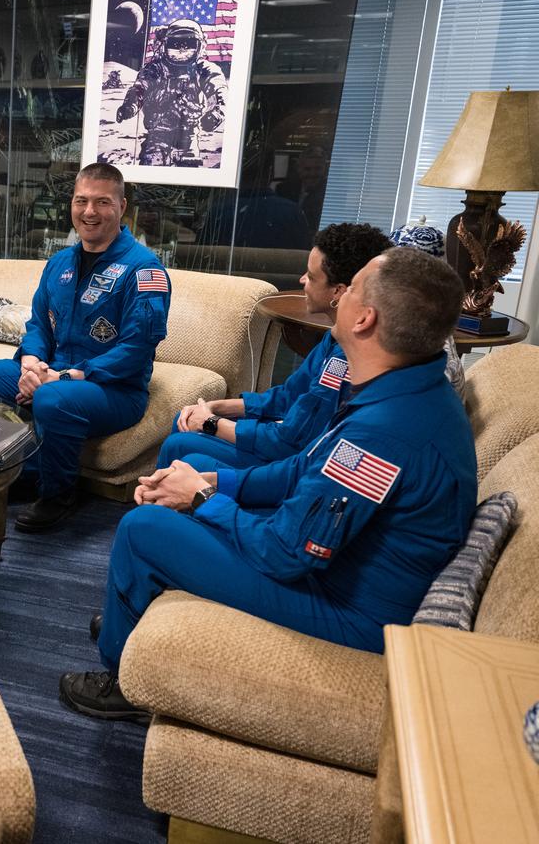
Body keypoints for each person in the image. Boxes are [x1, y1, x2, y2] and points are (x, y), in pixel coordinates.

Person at [60, 247, 475, 719]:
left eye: (352, 287)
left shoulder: (383, 434)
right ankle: (130, 612)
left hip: (348, 612)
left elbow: (285, 553)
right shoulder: (399, 392)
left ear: (364, 319)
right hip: (334, 567)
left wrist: (202, 497)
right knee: (173, 493)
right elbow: (304, 471)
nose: (339, 296)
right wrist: (215, 480)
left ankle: (123, 681)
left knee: (141, 531)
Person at [0, 163, 170, 532]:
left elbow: (136, 349)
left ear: (122, 206)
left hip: (113, 389)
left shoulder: (144, 270)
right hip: (53, 371)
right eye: (81, 201)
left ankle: (57, 495)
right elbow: (38, 324)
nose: (89, 212)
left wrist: (60, 377)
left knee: (53, 399)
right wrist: (32, 363)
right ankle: (10, 469)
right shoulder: (59, 262)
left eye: (102, 202)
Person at [158, 223, 393, 471]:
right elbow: (289, 396)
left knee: (180, 445)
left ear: (338, 291)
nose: (302, 280)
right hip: (288, 440)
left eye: (311, 276)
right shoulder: (334, 335)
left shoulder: (345, 359)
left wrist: (212, 423)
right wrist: (218, 406)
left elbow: (291, 441)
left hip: (294, 460)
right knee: (184, 420)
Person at [115, 19, 227, 167]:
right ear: (165, 45)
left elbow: (218, 91)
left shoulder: (203, 70)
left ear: (200, 46)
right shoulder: (155, 69)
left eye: (189, 44)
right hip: (157, 136)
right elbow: (140, 88)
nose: (182, 49)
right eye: (175, 44)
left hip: (188, 138)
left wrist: (216, 114)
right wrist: (130, 106)